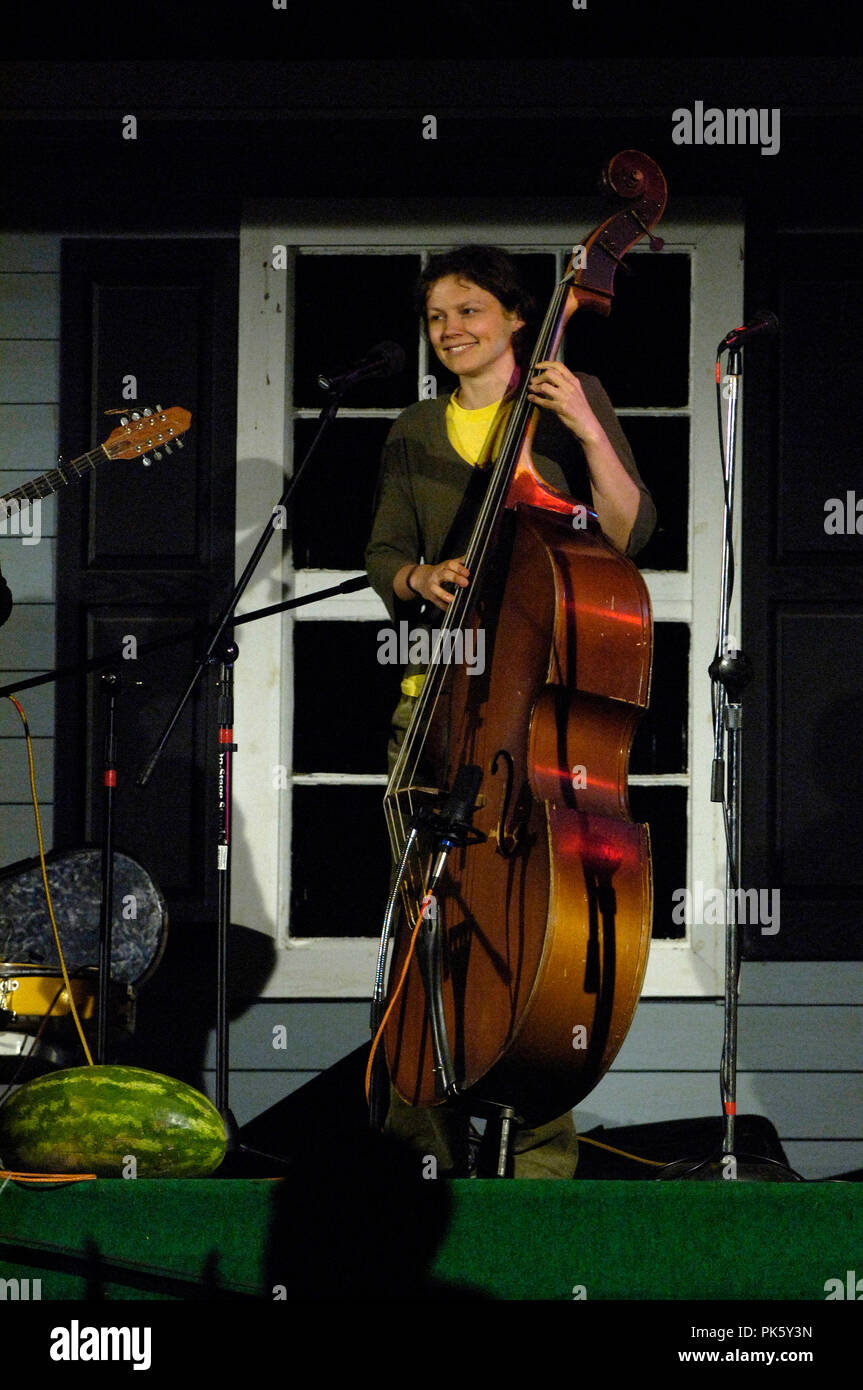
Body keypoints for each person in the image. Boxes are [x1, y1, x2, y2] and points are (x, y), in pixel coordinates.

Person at [364, 245, 656, 1177]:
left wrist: (584, 424)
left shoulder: (571, 399)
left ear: (518, 317)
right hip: (437, 718)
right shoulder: (413, 426)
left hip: (534, 730)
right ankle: (415, 1167)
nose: (450, 330)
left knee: (527, 954)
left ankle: (533, 1165)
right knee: (424, 946)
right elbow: (384, 559)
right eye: (437, 317)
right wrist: (420, 576)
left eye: (470, 311)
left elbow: (625, 530)